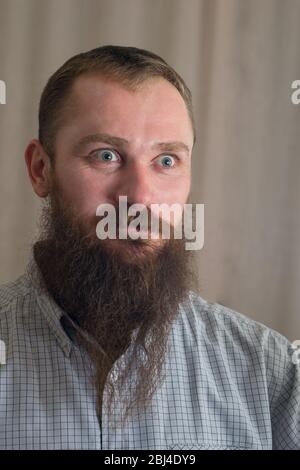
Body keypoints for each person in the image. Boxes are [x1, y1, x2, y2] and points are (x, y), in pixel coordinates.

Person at [0, 45, 299, 450]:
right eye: (106, 155)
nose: (140, 198)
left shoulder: (273, 374)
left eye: (167, 161)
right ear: (41, 169)